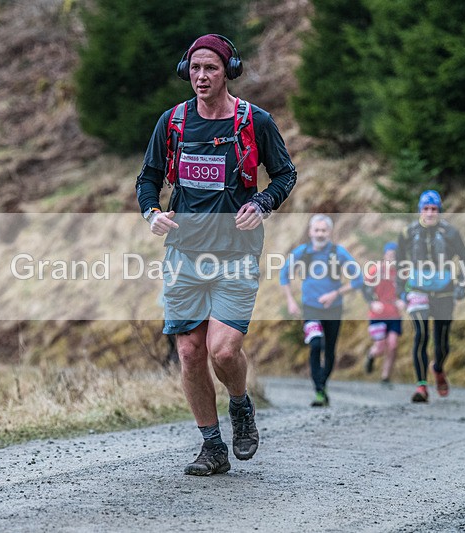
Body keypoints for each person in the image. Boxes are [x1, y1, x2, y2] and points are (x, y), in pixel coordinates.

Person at [136, 34, 296, 476]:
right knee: (189, 352)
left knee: (223, 351)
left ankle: (240, 406)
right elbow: (148, 178)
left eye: (211, 68)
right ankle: (212, 446)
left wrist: (262, 203)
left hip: (236, 254)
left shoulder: (254, 121)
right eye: (195, 68)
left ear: (228, 70)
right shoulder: (172, 122)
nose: (201, 76)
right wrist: (151, 212)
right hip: (184, 255)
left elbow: (285, 175)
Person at [280, 214, 364, 407]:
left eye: (323, 230)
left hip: (333, 308)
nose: (320, 234)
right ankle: (318, 390)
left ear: (329, 232)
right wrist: (291, 301)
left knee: (330, 350)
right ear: (310, 232)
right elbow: (284, 274)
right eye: (316, 230)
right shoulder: (303, 252)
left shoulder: (338, 252)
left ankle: (323, 386)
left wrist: (336, 293)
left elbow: (358, 279)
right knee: (316, 344)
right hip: (310, 308)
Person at [396, 190, 465, 403]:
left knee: (442, 343)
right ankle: (421, 386)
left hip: (444, 291)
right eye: (426, 209)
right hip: (417, 290)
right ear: (420, 210)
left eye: (434, 209)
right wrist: (400, 290)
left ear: (439, 211)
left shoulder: (451, 233)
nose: (430, 213)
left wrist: (461, 286)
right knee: (420, 335)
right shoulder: (407, 233)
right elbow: (399, 262)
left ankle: (437, 368)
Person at [363, 241, 405, 383]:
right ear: (385, 255)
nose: (392, 258)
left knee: (393, 345)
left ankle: (385, 376)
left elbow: (406, 290)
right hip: (378, 314)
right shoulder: (376, 270)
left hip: (394, 313)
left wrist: (402, 300)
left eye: (395, 255)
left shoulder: (401, 273)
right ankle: (371, 356)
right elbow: (366, 289)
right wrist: (372, 302)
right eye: (390, 255)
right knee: (380, 347)